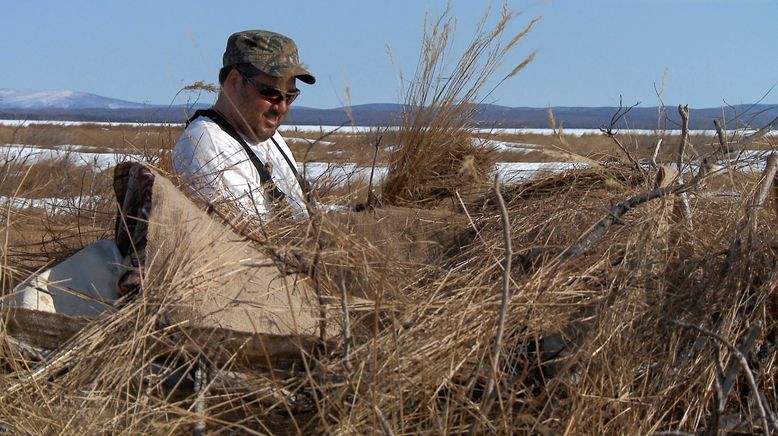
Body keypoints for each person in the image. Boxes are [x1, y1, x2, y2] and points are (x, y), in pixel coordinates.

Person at [173, 29, 316, 220]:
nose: (281, 106)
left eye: (290, 96)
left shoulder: (269, 137)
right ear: (234, 82)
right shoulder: (207, 144)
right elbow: (251, 240)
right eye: (271, 92)